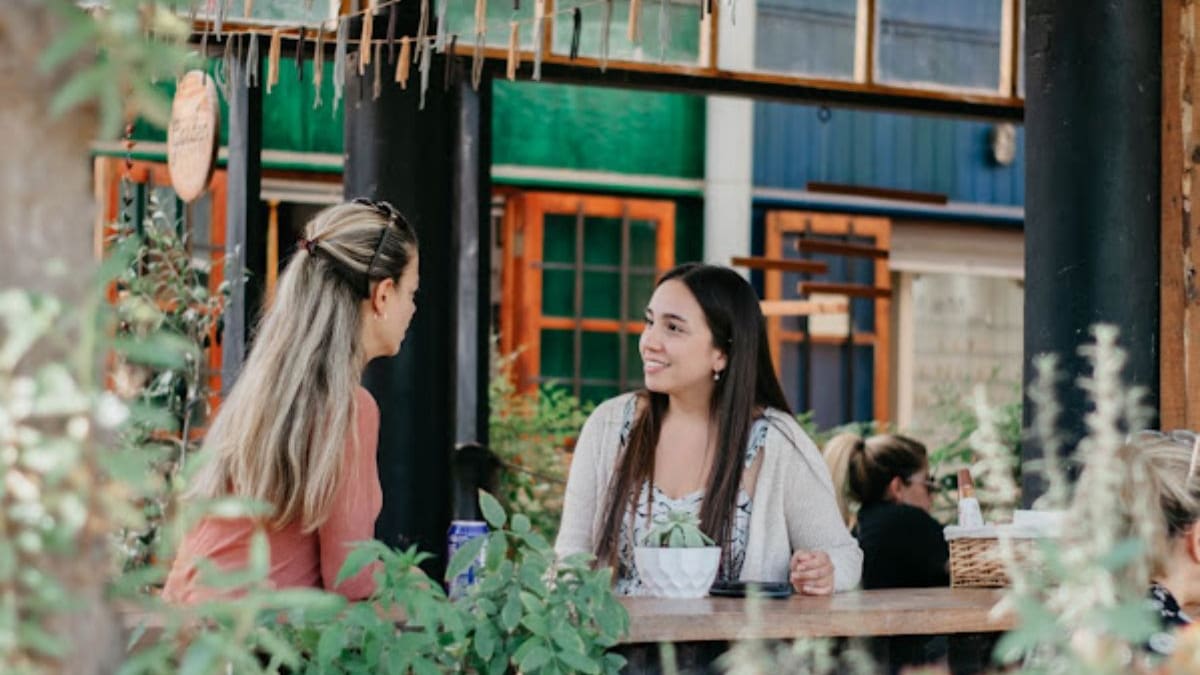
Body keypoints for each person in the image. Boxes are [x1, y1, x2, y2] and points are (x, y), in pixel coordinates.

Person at [163, 199, 419, 603]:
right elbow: (352, 579)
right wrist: (424, 585)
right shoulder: (348, 409)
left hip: (183, 627)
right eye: (411, 293)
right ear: (383, 295)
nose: (413, 308)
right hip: (256, 636)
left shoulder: (264, 393)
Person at [555, 263, 862, 596]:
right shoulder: (609, 425)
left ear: (722, 354)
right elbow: (570, 559)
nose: (649, 342)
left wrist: (822, 571)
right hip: (619, 631)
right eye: (650, 322)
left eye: (673, 328)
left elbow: (843, 556)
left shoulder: (777, 442)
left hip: (735, 633)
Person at [823, 433, 949, 590]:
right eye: (928, 484)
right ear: (897, 487)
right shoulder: (908, 522)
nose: (933, 495)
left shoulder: (862, 525)